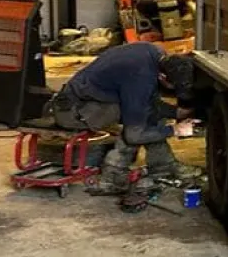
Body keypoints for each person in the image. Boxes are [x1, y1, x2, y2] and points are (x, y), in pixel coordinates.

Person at [49, 42, 200, 193]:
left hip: (87, 102)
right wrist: (174, 130)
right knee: (138, 121)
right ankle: (112, 176)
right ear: (162, 77)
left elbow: (150, 101)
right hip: (72, 113)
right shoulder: (139, 78)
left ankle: (163, 166)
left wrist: (176, 113)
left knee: (144, 109)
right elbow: (134, 135)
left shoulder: (153, 52)